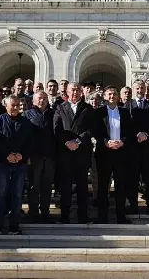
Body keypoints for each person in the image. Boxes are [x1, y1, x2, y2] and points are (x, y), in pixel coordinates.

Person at [0, 95, 31, 234]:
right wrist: (7, 154)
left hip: (20, 163)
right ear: (5, 106)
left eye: (17, 105)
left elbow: (29, 141)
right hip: (3, 163)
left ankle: (14, 227)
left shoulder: (25, 122)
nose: (15, 108)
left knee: (17, 195)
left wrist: (21, 155)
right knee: (1, 195)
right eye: (12, 105)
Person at [93, 86, 135, 224]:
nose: (112, 96)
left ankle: (120, 216)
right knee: (103, 185)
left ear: (118, 97)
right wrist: (106, 142)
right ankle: (102, 216)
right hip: (104, 153)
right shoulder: (98, 113)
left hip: (121, 153)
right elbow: (96, 131)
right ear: (105, 96)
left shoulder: (124, 113)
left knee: (120, 185)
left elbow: (130, 131)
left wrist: (122, 142)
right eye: (109, 94)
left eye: (114, 94)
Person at [54, 82, 94, 224]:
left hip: (81, 152)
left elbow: (90, 129)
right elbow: (57, 128)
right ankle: (65, 216)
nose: (75, 92)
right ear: (67, 92)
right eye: (73, 90)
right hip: (65, 153)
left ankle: (83, 216)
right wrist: (67, 142)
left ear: (81, 92)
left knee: (82, 186)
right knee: (65, 186)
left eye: (77, 90)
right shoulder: (60, 108)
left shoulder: (88, 108)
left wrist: (77, 142)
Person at [126, 80, 149, 215]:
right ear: (133, 89)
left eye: (141, 88)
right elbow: (126, 125)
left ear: (145, 90)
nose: (139, 91)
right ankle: (133, 205)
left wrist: (147, 134)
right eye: (137, 88)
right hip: (133, 149)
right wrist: (137, 133)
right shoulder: (127, 106)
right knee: (132, 178)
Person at [25, 91, 56, 223]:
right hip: (34, 156)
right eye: (39, 98)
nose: (42, 101)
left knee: (47, 186)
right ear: (33, 101)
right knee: (33, 186)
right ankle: (33, 212)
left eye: (44, 98)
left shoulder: (53, 114)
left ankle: (45, 212)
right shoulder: (27, 115)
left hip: (49, 156)